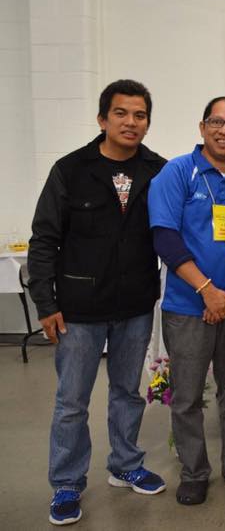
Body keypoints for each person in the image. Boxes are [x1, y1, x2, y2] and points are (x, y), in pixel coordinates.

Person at [28, 79, 167, 526]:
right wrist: (45, 303)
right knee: (72, 400)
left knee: (128, 392)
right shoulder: (70, 170)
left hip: (135, 304)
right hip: (79, 307)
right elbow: (44, 239)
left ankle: (125, 464)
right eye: (121, 113)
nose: (131, 122)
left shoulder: (158, 171)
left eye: (140, 115)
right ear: (103, 119)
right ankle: (67, 483)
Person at [148, 96, 225, 505]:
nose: (224, 131)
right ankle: (194, 472)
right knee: (187, 396)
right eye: (217, 122)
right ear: (202, 128)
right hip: (188, 307)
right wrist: (208, 291)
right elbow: (165, 237)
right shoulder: (178, 172)